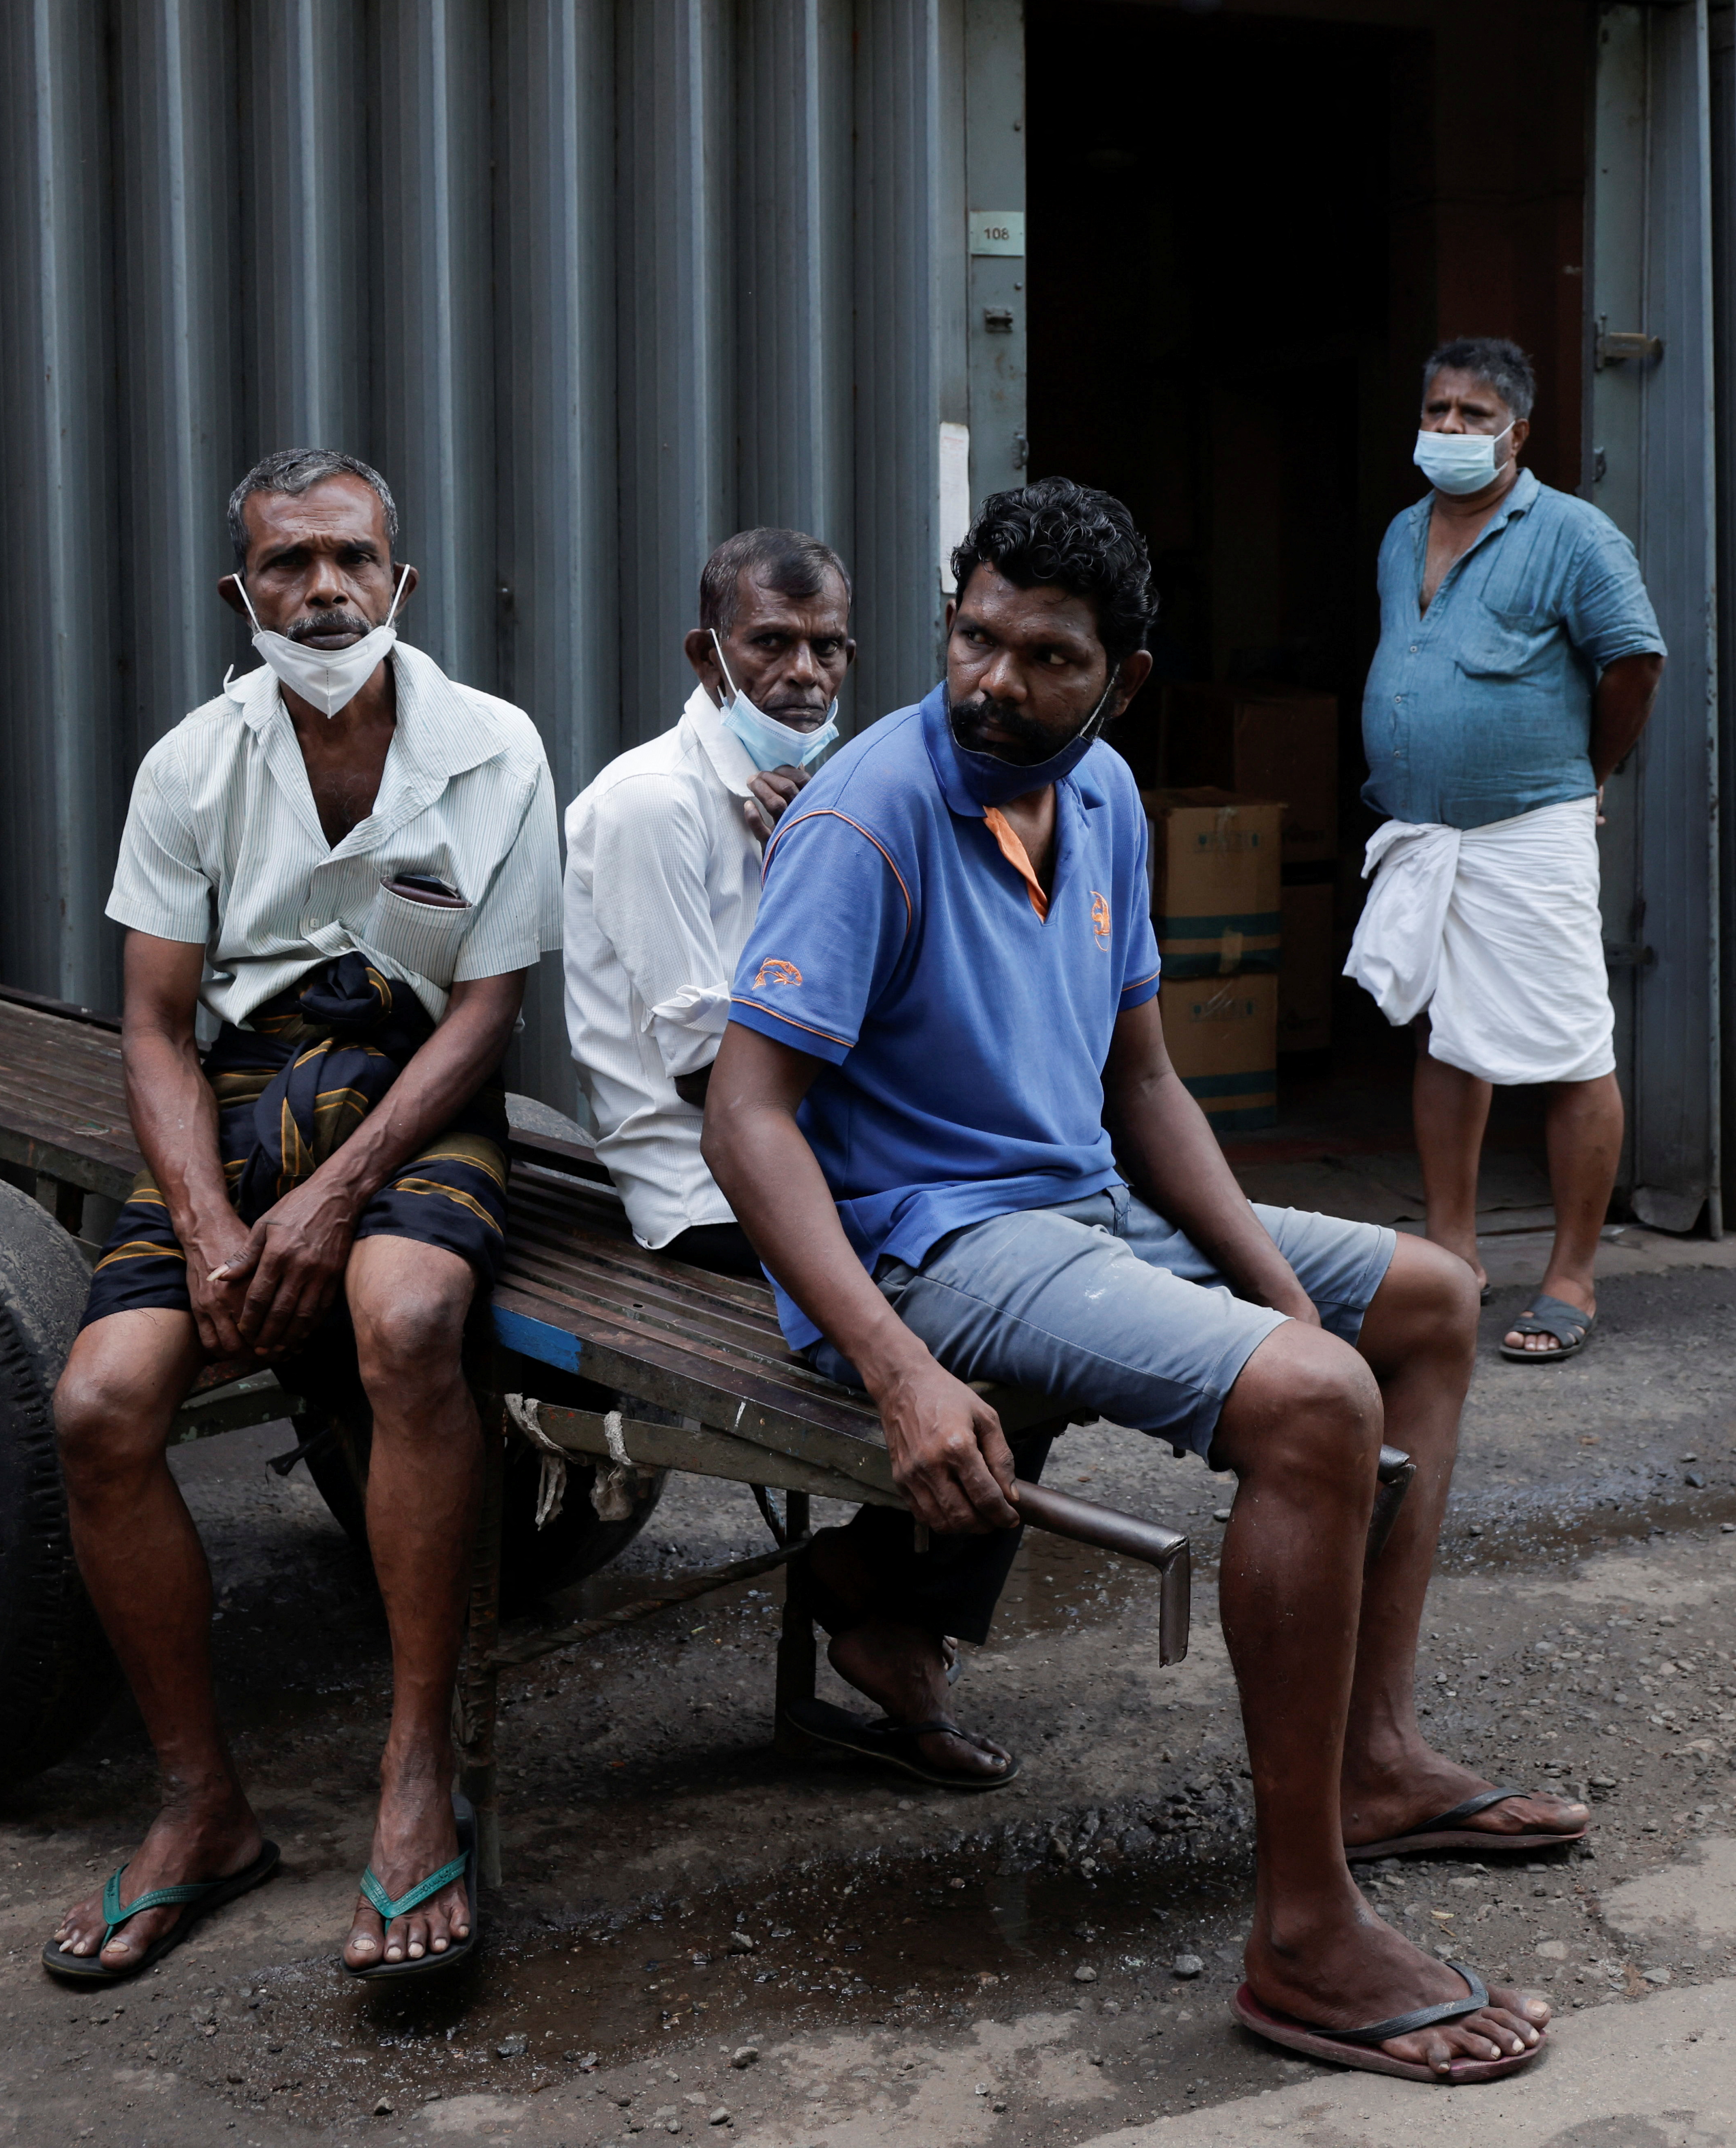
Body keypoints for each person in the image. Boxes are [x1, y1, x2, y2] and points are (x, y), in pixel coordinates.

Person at [703, 479, 1586, 2083]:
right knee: (1315, 1408)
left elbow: (1145, 1086)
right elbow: (745, 1115)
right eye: (976, 638)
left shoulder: (1099, 795)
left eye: (1046, 657)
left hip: (1085, 1210)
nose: (993, 681)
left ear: (1120, 676)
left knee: (1426, 1300)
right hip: (937, 1244)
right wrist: (899, 1369)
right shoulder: (866, 812)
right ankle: (1303, 1934)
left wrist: (1275, 1286)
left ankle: (1373, 1759)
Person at [44, 449, 558, 1986]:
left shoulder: (493, 748)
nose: (320, 588)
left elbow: (487, 1011)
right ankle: (202, 1803)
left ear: (403, 582)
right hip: (245, 1097)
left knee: (407, 1321)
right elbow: (150, 1023)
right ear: (239, 591)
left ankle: (416, 1770)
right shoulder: (191, 763)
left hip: (420, 1091)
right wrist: (209, 1221)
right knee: (97, 1404)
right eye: (286, 564)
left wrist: (337, 1199)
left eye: (350, 558)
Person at [562, 529, 1029, 1790]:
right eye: (771, 642)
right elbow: (718, 1079)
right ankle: (883, 1606)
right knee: (1001, 1303)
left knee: (1053, 1252)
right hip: (710, 1180)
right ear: (705, 654)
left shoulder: (837, 787)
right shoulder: (654, 803)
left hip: (828, 1154)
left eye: (829, 646)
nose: (805, 673)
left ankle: (882, 1594)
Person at [1351, 338, 1664, 1365]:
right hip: (1423, 828)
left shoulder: (1573, 533)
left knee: (1571, 1048)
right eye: (1436, 409)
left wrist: (1587, 775)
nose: (1446, 431)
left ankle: (1570, 1275)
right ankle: (1453, 1247)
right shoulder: (1403, 533)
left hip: (1530, 828)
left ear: (1516, 434)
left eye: (1472, 416)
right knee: (1446, 1033)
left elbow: (1634, 661)